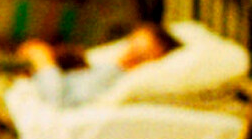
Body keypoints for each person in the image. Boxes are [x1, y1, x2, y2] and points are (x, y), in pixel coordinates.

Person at [17, 20, 179, 108]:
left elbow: (58, 99)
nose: (128, 55)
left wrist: (44, 62)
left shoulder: (115, 76)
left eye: (140, 55)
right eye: (132, 45)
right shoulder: (107, 68)